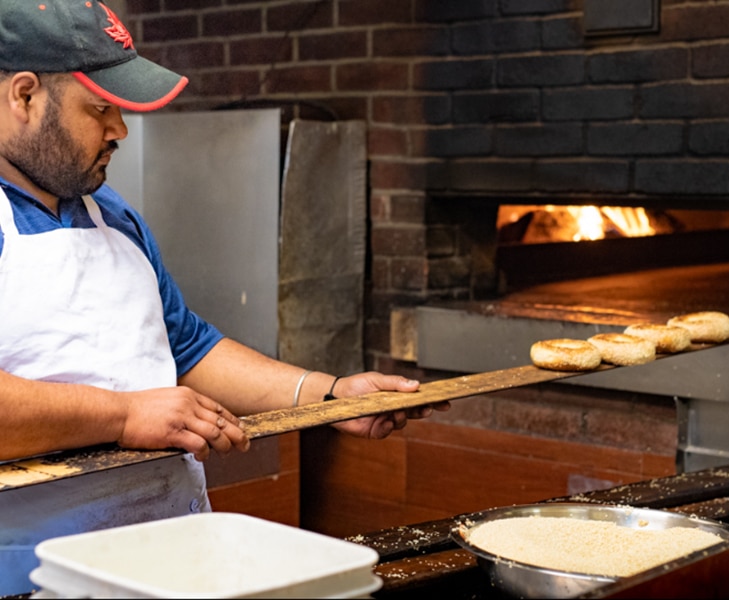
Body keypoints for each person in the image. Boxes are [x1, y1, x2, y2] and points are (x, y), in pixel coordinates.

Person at [0, 0, 448, 593]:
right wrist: (128, 414)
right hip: (32, 575)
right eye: (102, 108)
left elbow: (187, 348)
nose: (120, 130)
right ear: (25, 96)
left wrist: (328, 396)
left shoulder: (114, 216)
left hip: (169, 562)